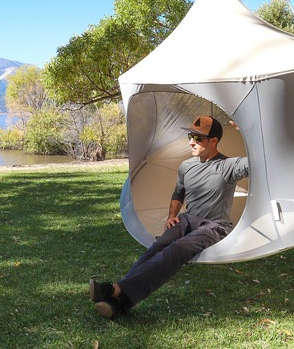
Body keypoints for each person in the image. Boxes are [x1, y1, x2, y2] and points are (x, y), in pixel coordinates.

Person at [89, 115, 249, 319]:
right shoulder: (186, 167)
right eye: (191, 136)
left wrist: (245, 130)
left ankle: (113, 291)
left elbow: (261, 160)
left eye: (198, 138)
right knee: (156, 247)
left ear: (213, 141)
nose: (191, 141)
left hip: (213, 227)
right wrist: (172, 216)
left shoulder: (229, 165)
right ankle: (119, 302)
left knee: (174, 251)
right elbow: (178, 193)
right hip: (186, 220)